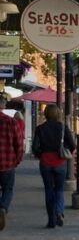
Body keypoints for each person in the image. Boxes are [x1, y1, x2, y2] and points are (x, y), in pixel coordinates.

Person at [32, 104, 76, 228]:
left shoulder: (40, 128)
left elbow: (35, 147)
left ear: (46, 114)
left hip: (45, 162)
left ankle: (51, 220)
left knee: (48, 190)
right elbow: (72, 145)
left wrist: (41, 155)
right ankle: (59, 212)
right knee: (59, 189)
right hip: (60, 162)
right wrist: (66, 152)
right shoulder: (62, 127)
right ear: (58, 114)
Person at [0, 95, 24, 230]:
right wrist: (16, 160)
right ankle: (3, 208)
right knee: (8, 189)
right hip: (7, 163)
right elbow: (18, 144)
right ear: (3, 106)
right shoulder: (11, 122)